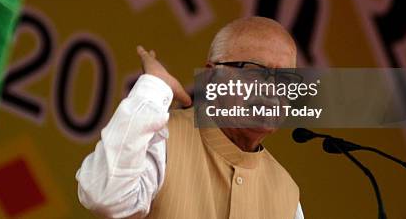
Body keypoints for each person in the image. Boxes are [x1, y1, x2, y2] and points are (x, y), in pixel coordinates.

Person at [76, 17, 304, 218]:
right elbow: (105, 197)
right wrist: (153, 88)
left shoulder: (286, 192)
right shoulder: (162, 141)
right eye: (257, 71)